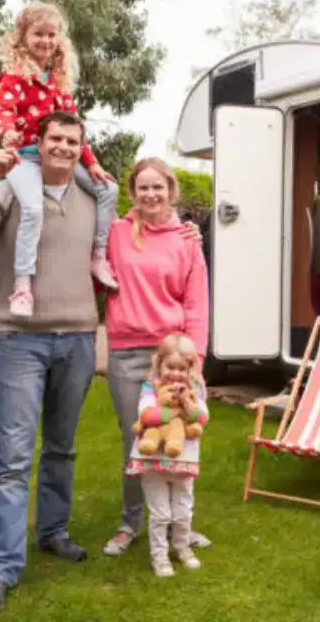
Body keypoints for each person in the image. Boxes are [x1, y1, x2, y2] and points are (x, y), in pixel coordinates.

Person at [0, 112, 201, 616]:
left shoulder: (93, 197)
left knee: (61, 448)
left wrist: (185, 230)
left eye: (72, 140)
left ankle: (53, 532)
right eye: (55, 139)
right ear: (39, 144)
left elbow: (144, 230)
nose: (63, 147)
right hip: (21, 340)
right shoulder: (14, 187)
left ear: (81, 147)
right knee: (13, 457)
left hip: (80, 339)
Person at [101, 157, 214, 557]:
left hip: (175, 357)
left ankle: (178, 523)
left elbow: (197, 303)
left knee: (180, 438)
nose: (151, 194)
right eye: (143, 187)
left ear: (171, 191)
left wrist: (195, 358)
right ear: (132, 193)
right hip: (128, 353)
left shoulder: (186, 240)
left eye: (158, 187)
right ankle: (130, 523)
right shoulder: (114, 233)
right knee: (138, 437)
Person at [0, 0, 119, 318]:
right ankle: (23, 285)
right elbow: (5, 111)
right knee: (33, 209)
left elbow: (73, 125)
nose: (46, 42)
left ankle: (99, 257)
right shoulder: (14, 76)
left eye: (52, 35)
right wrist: (8, 133)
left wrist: (90, 162)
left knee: (108, 189)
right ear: (22, 37)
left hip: (63, 155)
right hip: (27, 157)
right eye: (38, 34)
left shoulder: (58, 81)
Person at [126, 333, 210, 577]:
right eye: (169, 367)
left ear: (190, 367)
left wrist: (186, 402)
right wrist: (175, 414)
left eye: (181, 368)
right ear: (159, 363)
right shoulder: (150, 387)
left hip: (183, 459)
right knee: (161, 513)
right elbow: (148, 416)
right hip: (153, 460)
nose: (175, 374)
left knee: (183, 509)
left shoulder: (194, 390)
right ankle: (159, 556)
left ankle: (181, 547)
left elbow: (201, 419)